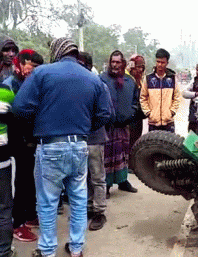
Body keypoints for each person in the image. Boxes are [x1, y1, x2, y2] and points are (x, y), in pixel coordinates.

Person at [12, 37, 112, 257]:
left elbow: (20, 107)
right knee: (77, 199)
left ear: (56, 52)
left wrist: (38, 123)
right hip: (79, 145)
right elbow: (106, 113)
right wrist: (84, 127)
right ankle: (76, 249)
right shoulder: (93, 78)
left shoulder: (42, 73)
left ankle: (47, 250)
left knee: (47, 202)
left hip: (50, 146)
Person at [4, 49, 44, 243]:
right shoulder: (9, 84)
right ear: (21, 63)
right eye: (33, 66)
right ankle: (17, 224)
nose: (34, 71)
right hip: (16, 141)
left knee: (30, 180)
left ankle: (29, 216)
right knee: (21, 182)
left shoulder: (27, 82)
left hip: (29, 140)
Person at [79, 51, 114, 231]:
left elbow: (107, 114)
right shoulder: (76, 84)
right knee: (82, 178)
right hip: (80, 139)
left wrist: (91, 128)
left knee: (97, 177)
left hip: (93, 139)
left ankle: (99, 212)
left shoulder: (98, 85)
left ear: (87, 65)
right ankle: (87, 208)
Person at [100, 50, 138, 198]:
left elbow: (135, 101)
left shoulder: (130, 81)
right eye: (113, 62)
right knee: (107, 158)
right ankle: (107, 186)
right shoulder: (102, 79)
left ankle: (123, 181)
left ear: (123, 63)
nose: (115, 65)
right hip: (107, 127)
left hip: (124, 126)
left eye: (118, 62)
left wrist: (130, 114)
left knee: (123, 155)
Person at [0, 50, 16, 257]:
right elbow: (16, 121)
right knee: (3, 208)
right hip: (1, 159)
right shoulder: (6, 92)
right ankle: (3, 251)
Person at [140, 48, 181, 133]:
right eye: (158, 62)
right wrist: (148, 113)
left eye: (162, 62)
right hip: (153, 123)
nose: (160, 65)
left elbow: (177, 97)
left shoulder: (172, 78)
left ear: (167, 63)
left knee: (169, 146)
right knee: (153, 146)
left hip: (169, 123)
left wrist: (171, 113)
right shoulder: (148, 78)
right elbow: (143, 97)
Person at [127, 55, 146, 150]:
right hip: (129, 120)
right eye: (138, 67)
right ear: (132, 67)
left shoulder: (140, 80)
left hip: (138, 119)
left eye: (142, 67)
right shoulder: (127, 80)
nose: (140, 70)